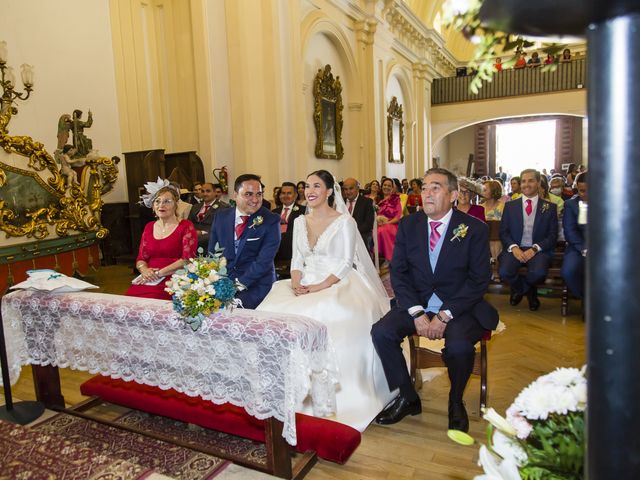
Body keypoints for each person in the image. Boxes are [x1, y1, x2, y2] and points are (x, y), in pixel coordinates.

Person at [257, 170, 393, 431]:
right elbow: (297, 259)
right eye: (307, 186)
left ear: (330, 191)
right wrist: (296, 281)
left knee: (327, 311)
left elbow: (344, 263)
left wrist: (319, 286)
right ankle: (280, 392)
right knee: (273, 310)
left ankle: (326, 400)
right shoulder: (299, 221)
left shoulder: (345, 222)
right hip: (304, 281)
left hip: (336, 282)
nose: (309, 190)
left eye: (316, 186)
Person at [371, 168, 498, 431]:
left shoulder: (473, 229)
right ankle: (407, 396)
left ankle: (455, 402)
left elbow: (478, 280)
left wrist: (445, 315)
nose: (427, 193)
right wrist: (417, 312)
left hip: (460, 307)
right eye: (425, 187)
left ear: (453, 195)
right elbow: (399, 271)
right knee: (382, 332)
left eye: (435, 187)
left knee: (460, 348)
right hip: (417, 302)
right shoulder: (409, 224)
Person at [208, 174, 280, 309]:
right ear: (235, 195)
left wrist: (237, 286)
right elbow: (213, 254)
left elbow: (264, 262)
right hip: (223, 282)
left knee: (234, 314)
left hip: (256, 285)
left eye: (259, 194)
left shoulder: (271, 220)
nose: (255, 199)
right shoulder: (221, 217)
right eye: (248, 194)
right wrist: (216, 282)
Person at [499, 169, 558, 311]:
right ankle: (529, 291)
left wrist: (535, 248)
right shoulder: (510, 206)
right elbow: (504, 232)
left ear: (538, 183)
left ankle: (520, 289)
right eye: (524, 181)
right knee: (505, 272)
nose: (526, 184)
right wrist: (513, 247)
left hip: (538, 250)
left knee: (538, 273)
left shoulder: (549, 208)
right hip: (515, 248)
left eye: (531, 180)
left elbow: (552, 236)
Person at [127, 184, 198, 300]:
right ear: (153, 206)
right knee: (130, 301)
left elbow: (187, 260)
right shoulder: (149, 227)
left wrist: (158, 274)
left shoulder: (186, 226)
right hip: (149, 278)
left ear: (176, 205)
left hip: (175, 277)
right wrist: (144, 270)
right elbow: (141, 258)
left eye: (167, 201)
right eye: (157, 201)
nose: (161, 205)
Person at [561, 171, 587, 299]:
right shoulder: (571, 205)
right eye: (582, 191)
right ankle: (585, 299)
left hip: (603, 248)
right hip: (578, 247)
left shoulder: (607, 203)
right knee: (569, 271)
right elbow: (570, 231)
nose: (586, 195)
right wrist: (584, 249)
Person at [273, 182, 305, 273]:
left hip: (293, 255)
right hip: (276, 256)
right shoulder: (273, 212)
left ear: (295, 195)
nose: (285, 196)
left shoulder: (303, 211)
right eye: (283, 193)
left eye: (289, 193)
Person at [188, 182, 229, 249]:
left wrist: (201, 232)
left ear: (215, 192)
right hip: (192, 236)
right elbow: (188, 223)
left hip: (210, 239)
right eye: (202, 191)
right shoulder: (195, 207)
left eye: (208, 191)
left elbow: (222, 228)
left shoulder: (223, 207)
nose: (205, 194)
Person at [343, 177, 375, 249]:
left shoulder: (367, 202)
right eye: (345, 189)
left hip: (360, 234)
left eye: (351, 188)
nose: (348, 192)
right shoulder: (341, 203)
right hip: (343, 234)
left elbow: (368, 224)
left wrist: (353, 232)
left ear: (357, 188)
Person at [377, 178, 402, 263]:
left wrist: (387, 222)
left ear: (392, 188)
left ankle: (391, 260)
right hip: (378, 224)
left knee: (383, 230)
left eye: (389, 186)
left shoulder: (396, 199)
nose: (386, 187)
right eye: (385, 185)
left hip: (392, 224)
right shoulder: (378, 201)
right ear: (381, 186)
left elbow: (398, 216)